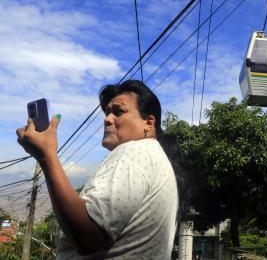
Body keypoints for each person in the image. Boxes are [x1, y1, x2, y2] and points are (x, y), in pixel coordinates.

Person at [16, 80, 179, 259]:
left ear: (148, 123)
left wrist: (46, 156)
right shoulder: (154, 157)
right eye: (108, 112)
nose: (107, 118)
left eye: (119, 111)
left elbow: (88, 236)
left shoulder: (134, 151)